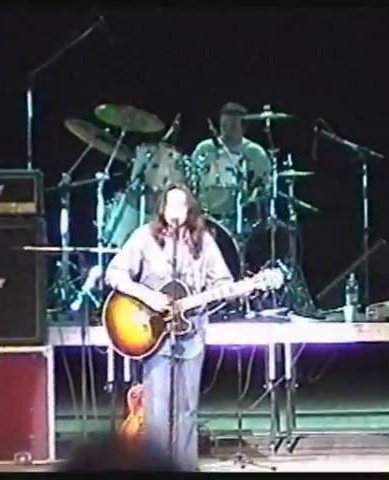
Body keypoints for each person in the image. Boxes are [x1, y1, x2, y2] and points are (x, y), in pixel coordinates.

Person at [105, 182, 234, 471]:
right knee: (157, 413)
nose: (175, 211)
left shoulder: (204, 242)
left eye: (181, 204)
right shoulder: (143, 238)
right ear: (162, 209)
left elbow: (224, 282)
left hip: (191, 335)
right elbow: (114, 273)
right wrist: (146, 295)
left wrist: (212, 296)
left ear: (190, 209)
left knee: (187, 410)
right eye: (170, 204)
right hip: (153, 335)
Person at [189, 102, 270, 222]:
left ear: (244, 128)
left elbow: (262, 187)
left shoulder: (255, 152)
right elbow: (191, 178)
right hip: (205, 213)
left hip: (241, 216)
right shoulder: (204, 148)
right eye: (224, 126)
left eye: (232, 126)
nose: (227, 131)